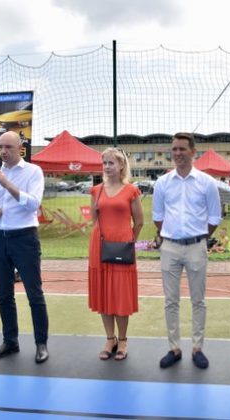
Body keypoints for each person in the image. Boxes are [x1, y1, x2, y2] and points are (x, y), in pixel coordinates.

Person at [152, 132, 222, 369]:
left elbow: (214, 217)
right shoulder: (162, 183)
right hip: (170, 247)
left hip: (196, 247)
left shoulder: (207, 183)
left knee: (198, 301)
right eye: (174, 149)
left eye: (182, 149)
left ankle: (197, 348)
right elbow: (158, 217)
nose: (178, 153)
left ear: (194, 152)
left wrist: (200, 237)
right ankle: (174, 347)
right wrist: (171, 236)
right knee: (171, 301)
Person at [0, 131, 50, 364]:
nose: (3, 151)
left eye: (8, 147)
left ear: (20, 148)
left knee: (34, 293)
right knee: (4, 294)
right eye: (0, 147)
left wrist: (7, 184)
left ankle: (41, 344)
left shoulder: (33, 172)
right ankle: (10, 341)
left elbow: (33, 204)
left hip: (24, 238)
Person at [88, 148, 144, 361]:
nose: (107, 167)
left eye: (111, 163)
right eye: (104, 163)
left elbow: (139, 221)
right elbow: (94, 220)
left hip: (122, 247)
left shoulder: (131, 191)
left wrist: (129, 242)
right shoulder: (96, 191)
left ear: (121, 165)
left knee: (120, 294)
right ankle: (109, 339)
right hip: (100, 246)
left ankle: (122, 340)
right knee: (103, 292)